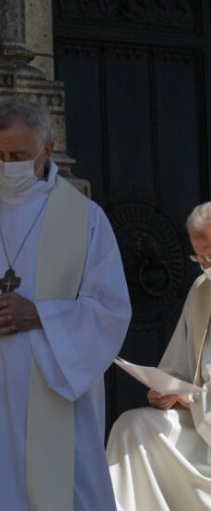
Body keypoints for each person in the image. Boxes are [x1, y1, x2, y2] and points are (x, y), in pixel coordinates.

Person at [0, 95, 131, 511]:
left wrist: (40, 314)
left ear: (47, 150)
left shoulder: (86, 219)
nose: (6, 165)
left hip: (54, 391)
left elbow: (110, 309)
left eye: (18, 155)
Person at [106, 201, 211, 510]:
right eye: (199, 257)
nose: (205, 266)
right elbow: (178, 369)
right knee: (131, 428)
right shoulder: (202, 291)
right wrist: (168, 389)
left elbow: (192, 397)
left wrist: (190, 400)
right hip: (201, 425)